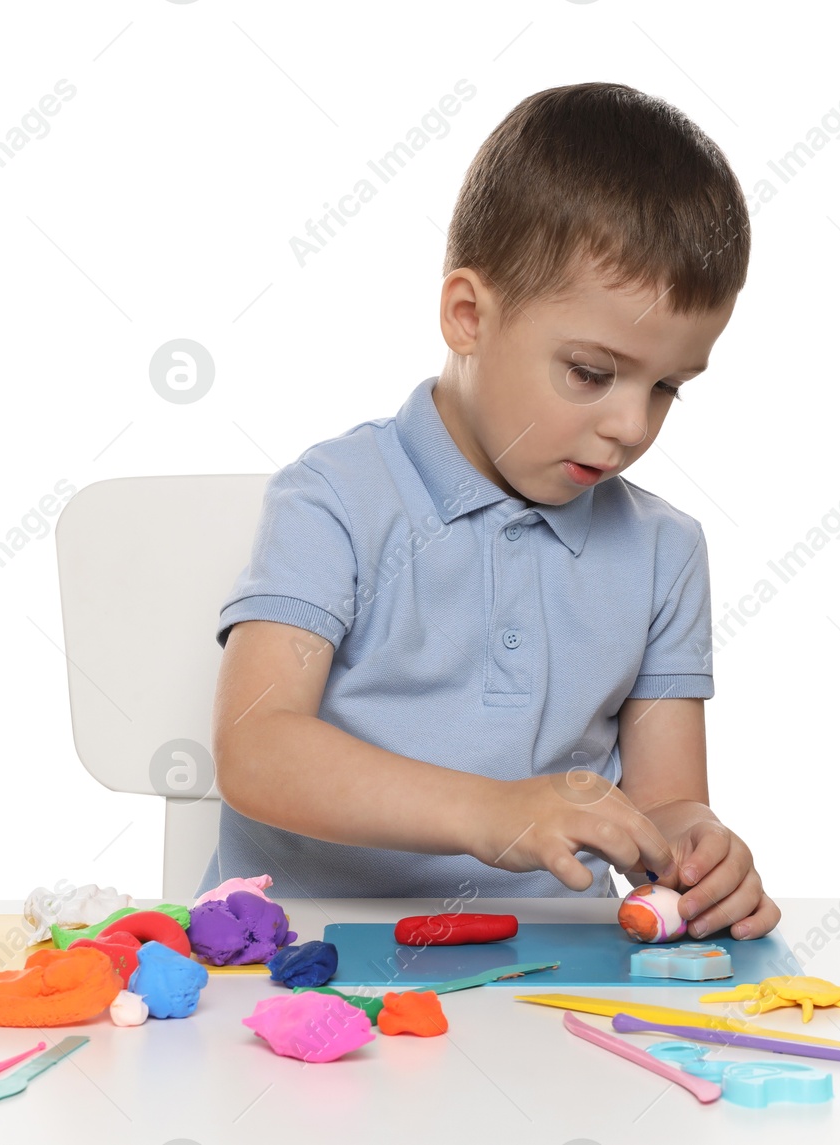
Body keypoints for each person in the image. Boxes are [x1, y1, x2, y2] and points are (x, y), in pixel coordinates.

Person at [197, 82, 779, 942]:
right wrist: (495, 811)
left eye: (666, 388)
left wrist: (697, 852)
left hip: (550, 971)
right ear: (468, 315)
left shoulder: (665, 552)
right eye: (591, 371)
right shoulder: (334, 499)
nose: (630, 425)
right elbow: (257, 748)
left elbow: (664, 800)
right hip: (306, 956)